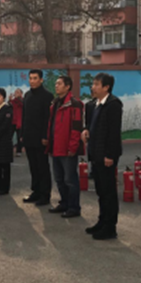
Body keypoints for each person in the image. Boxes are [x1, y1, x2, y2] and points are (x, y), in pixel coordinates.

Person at [82, 72, 123, 240]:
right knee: (100, 190)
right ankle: (102, 221)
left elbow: (114, 132)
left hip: (107, 155)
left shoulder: (113, 105)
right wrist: (85, 131)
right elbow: (89, 125)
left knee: (108, 192)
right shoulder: (92, 105)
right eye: (93, 84)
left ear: (106, 87)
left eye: (97, 84)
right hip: (95, 152)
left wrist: (110, 155)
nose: (93, 87)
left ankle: (110, 227)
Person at [47, 75, 84, 218]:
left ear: (68, 87)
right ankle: (64, 203)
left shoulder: (75, 104)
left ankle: (74, 207)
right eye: (56, 83)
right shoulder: (55, 103)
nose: (56, 86)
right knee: (59, 178)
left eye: (59, 83)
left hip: (67, 149)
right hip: (55, 146)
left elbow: (76, 127)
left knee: (70, 179)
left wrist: (73, 147)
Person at [22, 69, 54, 206]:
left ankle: (45, 195)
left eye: (35, 78)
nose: (32, 81)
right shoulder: (27, 95)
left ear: (41, 80)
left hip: (41, 138)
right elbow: (24, 116)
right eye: (30, 78)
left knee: (42, 167)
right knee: (33, 167)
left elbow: (48, 118)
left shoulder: (47, 96)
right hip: (28, 136)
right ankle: (35, 191)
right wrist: (22, 135)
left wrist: (45, 136)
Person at [10, 89, 24, 156]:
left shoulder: (23, 101)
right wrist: (9, 100)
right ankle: (9, 150)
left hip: (20, 122)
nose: (16, 93)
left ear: (21, 94)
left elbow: (23, 104)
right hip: (12, 121)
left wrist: (19, 98)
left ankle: (19, 151)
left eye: (18, 92)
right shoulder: (12, 101)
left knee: (19, 137)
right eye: (15, 92)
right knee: (9, 136)